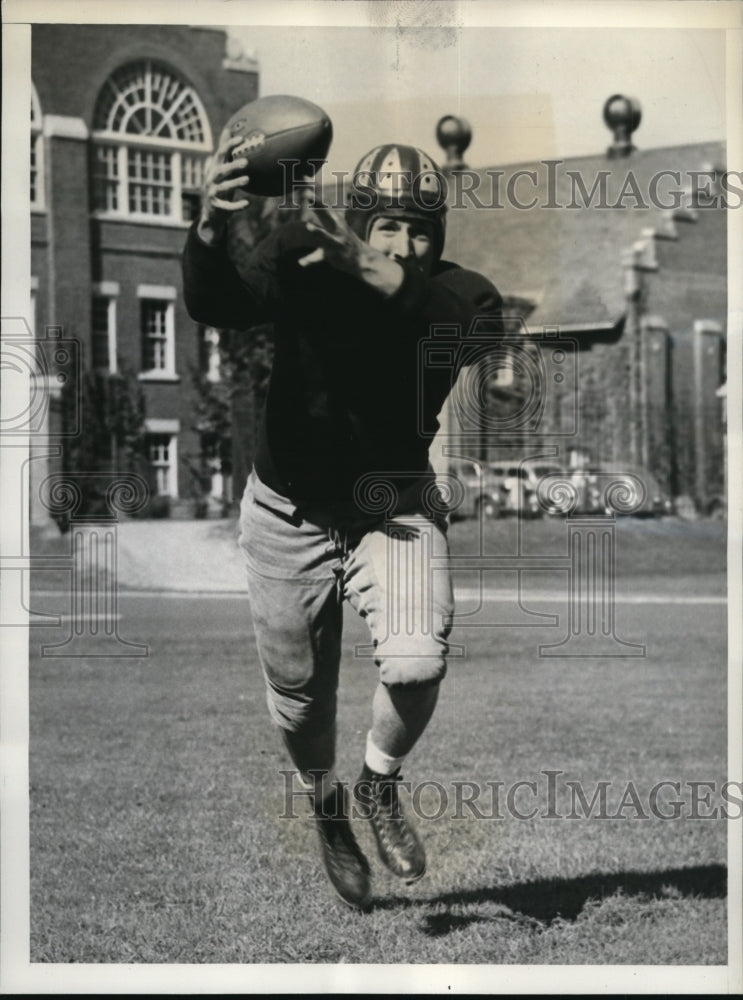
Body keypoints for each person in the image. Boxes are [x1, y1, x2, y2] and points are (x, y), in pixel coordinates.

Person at [182, 134, 503, 910]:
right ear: (359, 222)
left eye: (420, 227)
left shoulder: (462, 294)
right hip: (286, 506)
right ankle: (327, 804)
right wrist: (208, 226)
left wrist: (358, 262)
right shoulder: (305, 262)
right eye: (386, 225)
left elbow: (460, 325)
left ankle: (378, 784)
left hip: (391, 505)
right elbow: (215, 304)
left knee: (417, 662)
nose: (405, 242)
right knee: (298, 700)